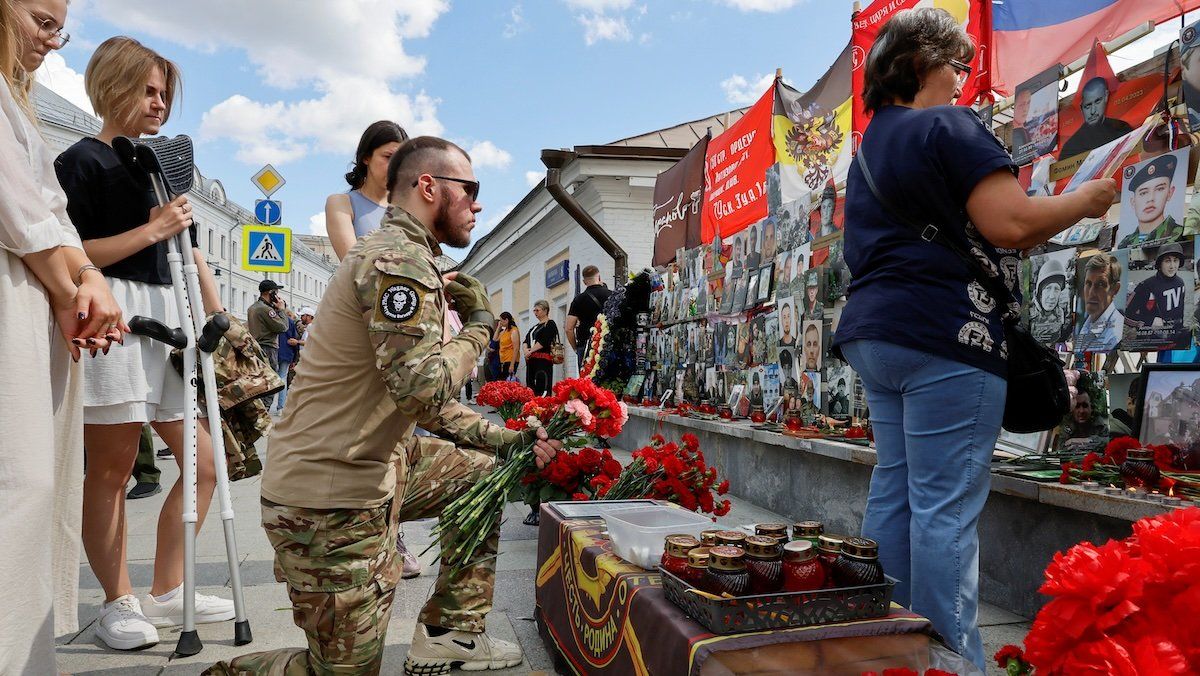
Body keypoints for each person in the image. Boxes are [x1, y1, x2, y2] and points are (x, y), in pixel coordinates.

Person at [205, 136, 564, 675]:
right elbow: (425, 390)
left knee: (483, 479)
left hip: (380, 466)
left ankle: (450, 633)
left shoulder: (410, 259)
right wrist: (480, 329)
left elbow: (425, 403)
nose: (477, 203)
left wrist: (513, 441)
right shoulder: (398, 260)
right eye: (470, 189)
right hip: (328, 498)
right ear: (428, 187)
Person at [832, 8, 1116, 669]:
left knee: (897, 487)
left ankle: (889, 643)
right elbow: (1010, 222)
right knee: (945, 504)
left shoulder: (871, 146)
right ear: (923, 63)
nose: (963, 81)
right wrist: (1086, 199)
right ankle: (952, 659)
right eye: (958, 66)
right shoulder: (949, 125)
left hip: (877, 330)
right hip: (943, 331)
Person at [55, 36, 234, 651]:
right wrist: (151, 227)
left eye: (165, 93)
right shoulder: (81, 160)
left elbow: (186, 252)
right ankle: (116, 600)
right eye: (148, 90)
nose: (159, 104)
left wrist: (215, 313)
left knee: (207, 463)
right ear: (113, 85)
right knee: (110, 469)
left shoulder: (156, 166)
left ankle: (165, 590)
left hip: (167, 317)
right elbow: (70, 253)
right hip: (113, 310)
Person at [0, 1, 125, 670]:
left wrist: (79, 278)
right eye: (42, 21)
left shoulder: (14, 104)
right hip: (20, 290)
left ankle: (25, 651)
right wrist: (75, 281)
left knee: (35, 485)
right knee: (19, 485)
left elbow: (46, 207)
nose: (53, 41)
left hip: (38, 295)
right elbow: (18, 205)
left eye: (60, 28)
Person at [327, 120, 409, 260]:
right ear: (366, 157)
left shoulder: (408, 210)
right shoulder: (341, 204)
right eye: (388, 157)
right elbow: (354, 265)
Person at [1126, 243, 1189, 346]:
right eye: (1168, 261)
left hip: (1175, 338)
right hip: (1152, 340)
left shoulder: (1180, 283)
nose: (1172, 266)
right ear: (1160, 263)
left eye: (1175, 260)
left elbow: (1179, 311)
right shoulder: (1146, 286)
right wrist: (1150, 320)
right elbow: (1127, 314)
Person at [1118, 153, 1184, 247]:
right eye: (1143, 193)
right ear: (1133, 202)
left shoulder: (1179, 235)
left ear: (1170, 193)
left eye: (1159, 189)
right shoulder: (1125, 244)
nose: (1150, 199)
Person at [1060, 76, 1134, 159]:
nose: (1093, 111)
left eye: (1098, 101)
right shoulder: (1070, 148)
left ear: (1106, 96)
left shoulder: (1122, 128)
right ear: (1081, 108)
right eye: (1088, 106)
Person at [566, 264, 612, 368]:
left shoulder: (579, 299)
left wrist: (575, 348)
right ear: (599, 277)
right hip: (608, 344)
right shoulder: (611, 295)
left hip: (586, 345)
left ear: (584, 282)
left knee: (586, 381)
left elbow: (569, 329)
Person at [1076, 252, 1123, 352]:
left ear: (1115, 289)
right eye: (1088, 283)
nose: (1091, 292)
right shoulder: (1088, 323)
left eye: (1101, 284)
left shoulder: (1115, 334)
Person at [247, 278, 287, 374]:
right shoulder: (266, 309)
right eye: (276, 293)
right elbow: (283, 327)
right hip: (268, 348)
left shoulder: (253, 307)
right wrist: (281, 310)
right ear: (271, 292)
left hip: (256, 346)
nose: (277, 296)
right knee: (271, 378)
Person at [1029, 257, 1068, 344]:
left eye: (1057, 289)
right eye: (1048, 288)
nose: (1052, 296)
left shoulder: (1060, 313)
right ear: (1040, 292)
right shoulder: (1028, 312)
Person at [524, 299, 558, 396]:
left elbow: (544, 341)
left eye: (537, 310)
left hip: (543, 362)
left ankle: (542, 409)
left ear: (545, 310)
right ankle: (532, 408)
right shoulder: (534, 327)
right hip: (532, 361)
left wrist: (530, 351)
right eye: (534, 310)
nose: (535, 313)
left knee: (542, 386)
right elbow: (526, 340)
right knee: (531, 387)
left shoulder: (550, 324)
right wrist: (526, 350)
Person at [273, 302, 298, 414]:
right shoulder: (290, 322)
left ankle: (267, 405)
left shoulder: (271, 318)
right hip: (286, 352)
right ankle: (280, 407)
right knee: (283, 377)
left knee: (270, 378)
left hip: (273, 351)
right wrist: (294, 359)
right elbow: (294, 340)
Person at [495, 311, 520, 379]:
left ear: (506, 320)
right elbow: (495, 339)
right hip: (503, 360)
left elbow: (516, 348)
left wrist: (512, 365)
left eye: (501, 320)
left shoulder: (514, 331)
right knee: (502, 381)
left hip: (510, 359)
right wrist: (498, 327)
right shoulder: (504, 331)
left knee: (507, 382)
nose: (500, 322)